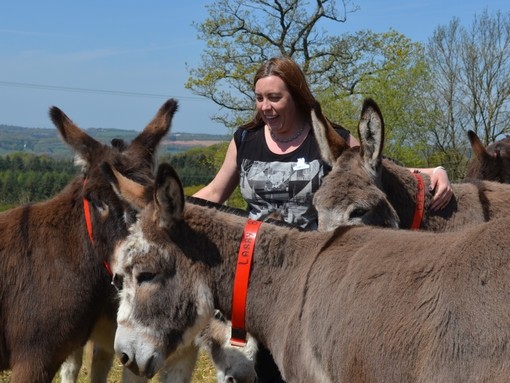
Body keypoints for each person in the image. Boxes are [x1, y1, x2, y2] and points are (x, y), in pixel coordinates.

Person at [194, 56, 453, 382]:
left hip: (311, 278)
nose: (265, 107)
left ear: (297, 96)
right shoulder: (245, 140)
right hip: (252, 277)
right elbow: (215, 192)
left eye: (275, 97)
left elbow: (376, 169)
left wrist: (432, 173)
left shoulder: (331, 138)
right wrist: (155, 206)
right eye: (259, 98)